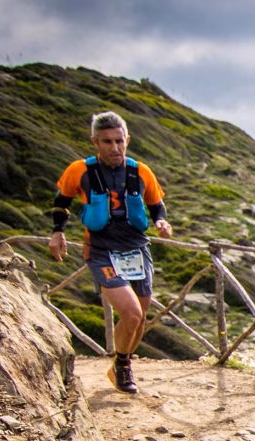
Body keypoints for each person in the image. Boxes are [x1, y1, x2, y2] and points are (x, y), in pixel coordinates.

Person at [48, 111, 173, 394]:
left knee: (138, 319)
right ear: (95, 142)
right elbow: (62, 200)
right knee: (130, 313)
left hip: (136, 248)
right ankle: (123, 366)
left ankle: (119, 361)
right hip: (102, 250)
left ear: (127, 139)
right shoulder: (79, 170)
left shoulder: (140, 171)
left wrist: (161, 222)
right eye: (107, 142)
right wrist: (58, 231)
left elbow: (156, 204)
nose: (115, 147)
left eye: (119, 141)